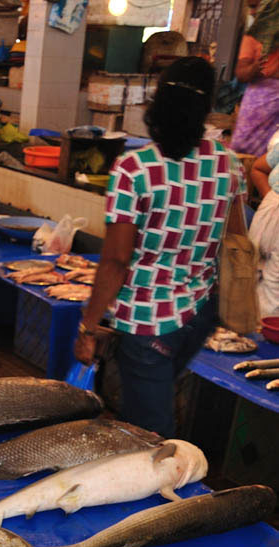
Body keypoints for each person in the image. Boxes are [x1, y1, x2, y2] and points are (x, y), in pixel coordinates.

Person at [73, 57, 246, 438]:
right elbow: (235, 243)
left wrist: (89, 326)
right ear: (206, 108)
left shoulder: (135, 168)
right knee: (149, 404)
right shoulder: (229, 165)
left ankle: (163, 490)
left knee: (153, 433)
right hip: (200, 314)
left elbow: (117, 261)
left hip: (148, 323)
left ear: (157, 102)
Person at [232, 0, 279, 156]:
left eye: (255, 7)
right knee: (246, 150)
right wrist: (254, 68)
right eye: (250, 7)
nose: (252, 13)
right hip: (260, 103)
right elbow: (241, 73)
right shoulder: (252, 38)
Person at [249, 130, 279, 314]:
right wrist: (271, 199)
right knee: (248, 274)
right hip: (270, 209)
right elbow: (257, 168)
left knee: (274, 287)